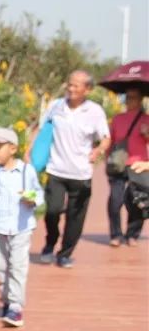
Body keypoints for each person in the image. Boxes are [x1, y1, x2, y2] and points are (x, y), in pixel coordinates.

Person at [31, 70, 111, 267]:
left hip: (81, 173)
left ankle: (65, 253)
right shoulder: (56, 106)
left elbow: (106, 138)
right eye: (70, 84)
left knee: (75, 217)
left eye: (76, 85)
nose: (71, 88)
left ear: (87, 89)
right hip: (56, 170)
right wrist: (30, 151)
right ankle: (50, 243)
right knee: (52, 211)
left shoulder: (95, 111)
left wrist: (98, 150)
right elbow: (41, 129)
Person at [0, 126, 45, 328]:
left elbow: (38, 193)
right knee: (1, 267)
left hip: (22, 227)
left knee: (17, 266)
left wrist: (31, 199)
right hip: (0, 228)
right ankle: (7, 299)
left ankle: (16, 306)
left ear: (13, 149)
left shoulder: (27, 171)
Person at [106, 86, 148, 246]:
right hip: (118, 164)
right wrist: (107, 159)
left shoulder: (146, 119)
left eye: (133, 97)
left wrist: (147, 134)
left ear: (140, 100)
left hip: (138, 165)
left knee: (137, 201)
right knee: (115, 201)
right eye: (127, 97)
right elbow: (110, 140)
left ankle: (132, 234)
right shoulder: (117, 119)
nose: (129, 100)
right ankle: (116, 234)